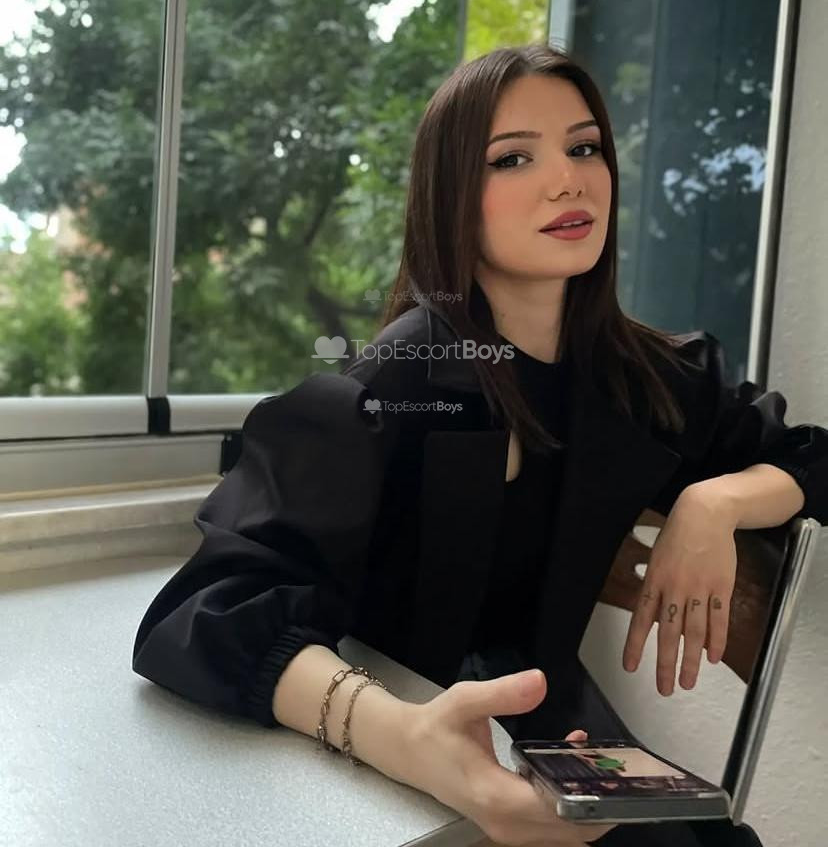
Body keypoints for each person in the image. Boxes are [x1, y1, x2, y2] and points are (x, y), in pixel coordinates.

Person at [133, 43, 828, 847]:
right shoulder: (396, 380)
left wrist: (716, 502)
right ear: (452, 196)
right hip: (389, 757)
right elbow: (202, 615)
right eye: (513, 159)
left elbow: (811, 456)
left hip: (558, 735)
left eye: (584, 148)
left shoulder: (647, 375)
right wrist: (409, 741)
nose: (567, 180)